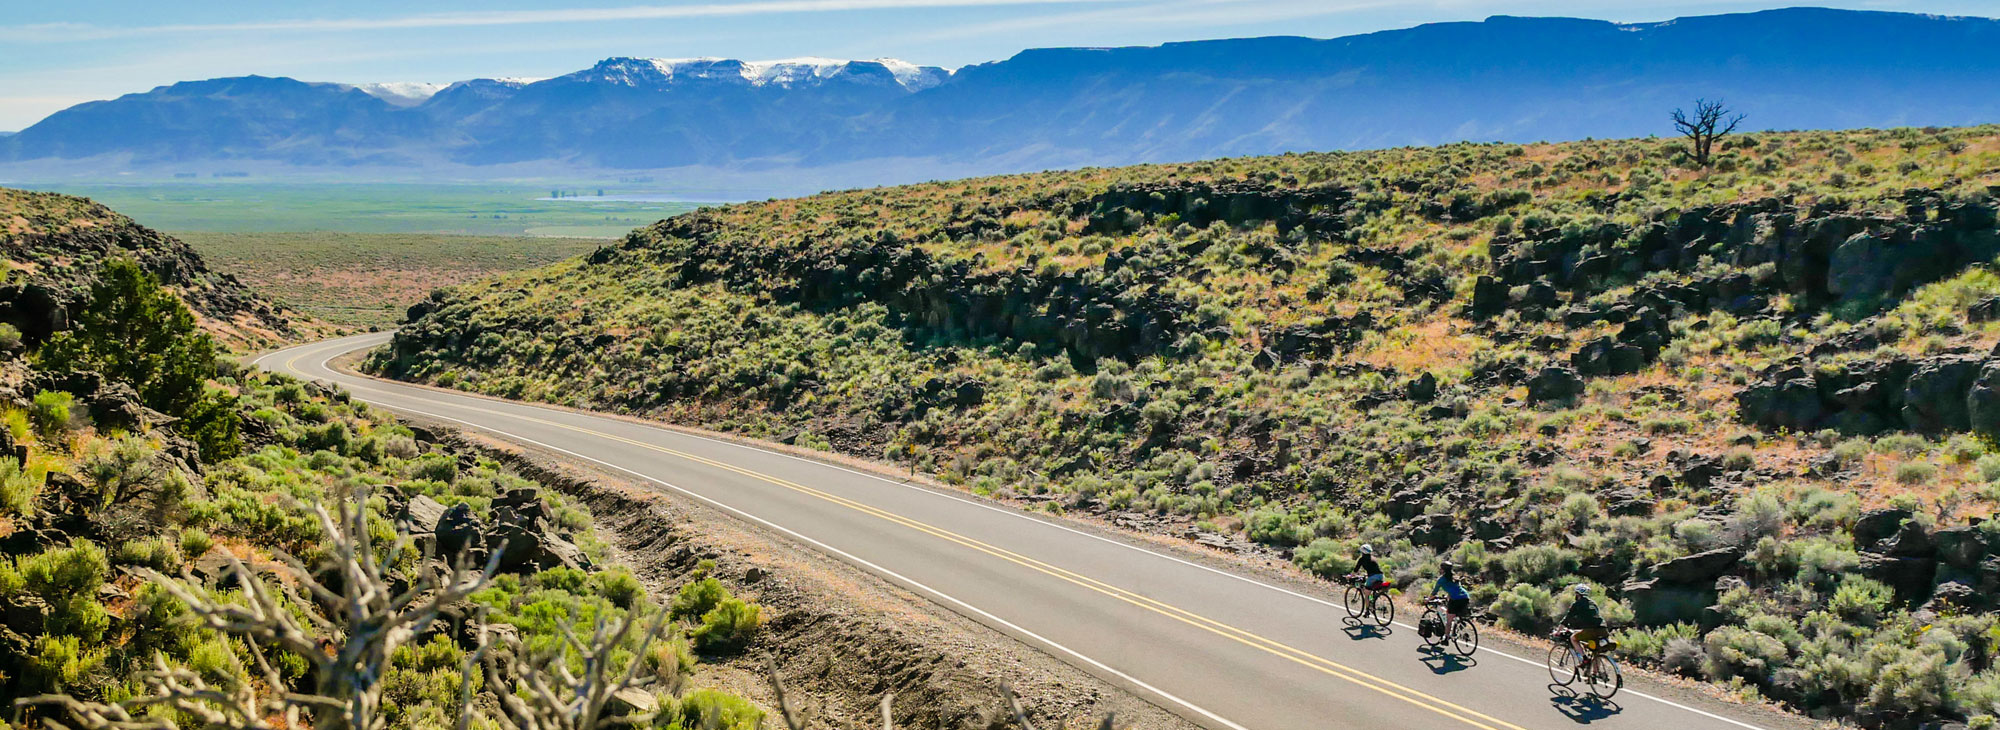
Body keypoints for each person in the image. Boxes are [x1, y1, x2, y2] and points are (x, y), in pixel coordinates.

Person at [1561, 584, 1608, 658]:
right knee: (1595, 650)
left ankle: (1584, 658)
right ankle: (1595, 669)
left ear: (1577, 594)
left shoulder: (1577, 604)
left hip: (1590, 630)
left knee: (1573, 638)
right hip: (1603, 629)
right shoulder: (1593, 603)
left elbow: (1567, 618)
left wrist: (1558, 631)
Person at [1431, 561, 1472, 632]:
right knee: (1455, 614)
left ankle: (1446, 639)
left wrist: (1428, 600)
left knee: (1448, 621)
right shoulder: (1455, 577)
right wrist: (1448, 596)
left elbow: (1434, 592)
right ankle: (1460, 624)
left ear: (1443, 570)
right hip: (1465, 597)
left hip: (1456, 599)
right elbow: (1455, 589)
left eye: (1440, 569)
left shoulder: (1441, 580)